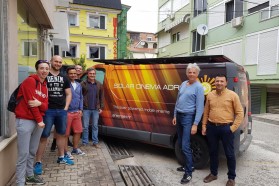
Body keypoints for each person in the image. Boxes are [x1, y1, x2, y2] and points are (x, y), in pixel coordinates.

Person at [34, 55, 73, 176]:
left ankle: (61, 157)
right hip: (48, 111)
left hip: (61, 111)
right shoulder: (45, 75)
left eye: (60, 62)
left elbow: (68, 94)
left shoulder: (64, 78)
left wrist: (66, 108)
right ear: (51, 62)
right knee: (44, 136)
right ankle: (38, 162)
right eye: (56, 61)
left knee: (61, 134)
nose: (58, 63)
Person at [202, 74, 244, 186]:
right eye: (217, 81)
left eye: (221, 81)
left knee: (229, 154)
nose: (219, 83)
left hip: (226, 128)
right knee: (213, 152)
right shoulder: (210, 95)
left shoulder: (233, 95)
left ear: (226, 83)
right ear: (214, 82)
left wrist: (232, 128)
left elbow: (240, 113)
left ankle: (231, 178)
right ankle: (213, 174)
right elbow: (206, 112)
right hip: (211, 128)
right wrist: (204, 126)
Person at [15, 60, 49, 185]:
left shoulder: (45, 85)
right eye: (41, 68)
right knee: (23, 154)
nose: (44, 71)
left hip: (38, 122)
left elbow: (45, 106)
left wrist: (40, 103)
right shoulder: (30, 81)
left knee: (32, 151)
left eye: (46, 68)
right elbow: (31, 104)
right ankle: (20, 182)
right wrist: (40, 120)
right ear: (37, 69)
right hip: (25, 121)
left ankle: (29, 176)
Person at [172, 63, 204, 184]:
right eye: (189, 72)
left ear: (197, 74)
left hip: (188, 117)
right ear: (187, 73)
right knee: (181, 143)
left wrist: (195, 124)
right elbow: (178, 100)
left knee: (185, 145)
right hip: (179, 116)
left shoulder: (199, 87)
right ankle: (188, 165)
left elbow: (200, 107)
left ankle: (188, 173)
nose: (191, 74)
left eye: (193, 72)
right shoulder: (183, 84)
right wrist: (175, 115)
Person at [64, 66, 85, 156]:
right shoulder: (65, 84)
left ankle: (75, 149)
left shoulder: (78, 84)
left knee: (78, 131)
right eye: (71, 73)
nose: (73, 75)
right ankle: (65, 151)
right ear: (67, 74)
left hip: (77, 112)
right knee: (66, 133)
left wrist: (81, 109)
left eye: (74, 73)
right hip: (67, 112)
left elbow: (81, 97)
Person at [81, 67, 104, 148]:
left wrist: (101, 107)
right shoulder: (83, 84)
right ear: (87, 74)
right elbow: (80, 96)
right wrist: (81, 108)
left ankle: (95, 142)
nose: (92, 75)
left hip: (95, 109)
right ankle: (85, 142)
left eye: (94, 74)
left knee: (95, 126)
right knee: (85, 127)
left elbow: (101, 97)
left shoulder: (99, 84)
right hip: (85, 108)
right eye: (90, 73)